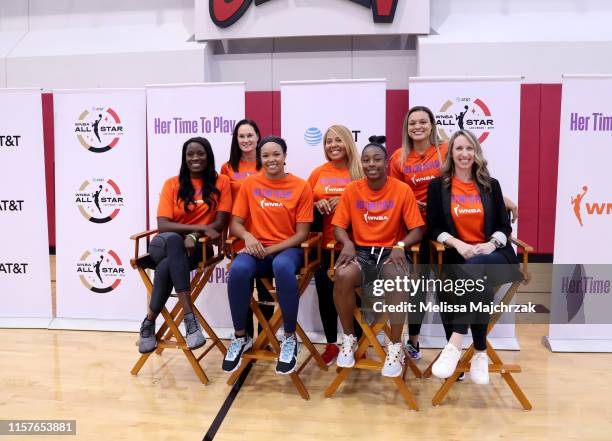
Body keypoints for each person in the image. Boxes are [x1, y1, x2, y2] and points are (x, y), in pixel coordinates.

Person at [390, 106, 518, 365]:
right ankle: (417, 339)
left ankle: (454, 347)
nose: (417, 126)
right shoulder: (399, 158)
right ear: (406, 128)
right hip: (425, 228)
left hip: (466, 238)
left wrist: (499, 200)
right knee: (423, 284)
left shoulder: (447, 147)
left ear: (432, 125)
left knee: (458, 281)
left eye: (423, 121)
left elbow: (475, 180)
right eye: (412, 122)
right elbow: (394, 192)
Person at [427, 129, 522, 385]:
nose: (464, 154)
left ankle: (454, 345)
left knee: (475, 267)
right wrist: (457, 244)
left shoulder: (491, 185)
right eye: (459, 148)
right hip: (459, 258)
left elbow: (504, 227)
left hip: (495, 257)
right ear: (451, 153)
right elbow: (433, 227)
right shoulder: (438, 186)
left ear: (476, 153)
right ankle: (480, 352)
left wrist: (491, 244)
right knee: (475, 281)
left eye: (469, 148)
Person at [332, 136, 424, 377]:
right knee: (341, 274)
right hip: (361, 252)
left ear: (386, 163)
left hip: (390, 253)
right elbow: (339, 226)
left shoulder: (402, 189)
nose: (371, 164)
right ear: (361, 164)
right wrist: (347, 242)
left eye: (377, 159)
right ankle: (349, 339)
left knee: (396, 279)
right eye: (366, 160)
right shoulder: (352, 190)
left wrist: (401, 245)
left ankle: (394, 345)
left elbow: (417, 229)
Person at [222, 136, 314, 375]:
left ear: (285, 156)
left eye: (276, 154)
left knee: (283, 267)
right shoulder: (250, 184)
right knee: (239, 270)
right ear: (260, 159)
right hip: (256, 249)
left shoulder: (301, 186)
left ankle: (290, 338)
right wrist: (249, 238)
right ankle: (240, 336)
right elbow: (236, 224)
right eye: (265, 156)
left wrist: (269, 249)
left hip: (288, 250)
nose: (271, 159)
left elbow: (302, 234)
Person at [138, 137, 232, 354]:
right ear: (184, 158)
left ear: (208, 156)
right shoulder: (172, 183)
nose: (195, 158)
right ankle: (190, 318)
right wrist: (196, 231)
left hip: (197, 249)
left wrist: (195, 237)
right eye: (190, 154)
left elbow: (218, 224)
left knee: (166, 267)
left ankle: (149, 322)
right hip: (162, 245)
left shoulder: (222, 182)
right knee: (171, 240)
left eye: (200, 153)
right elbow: (163, 225)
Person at [307, 124, 364, 366]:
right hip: (326, 246)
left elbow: (374, 205)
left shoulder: (360, 172)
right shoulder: (318, 172)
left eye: (338, 140)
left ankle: (358, 343)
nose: (333, 145)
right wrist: (316, 205)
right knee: (326, 295)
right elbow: (303, 207)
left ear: (348, 143)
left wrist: (346, 199)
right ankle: (332, 344)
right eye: (328, 141)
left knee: (357, 298)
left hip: (356, 245)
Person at [220, 119, 273, 337]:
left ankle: (265, 337)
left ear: (258, 136)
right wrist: (224, 236)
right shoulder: (228, 167)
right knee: (242, 287)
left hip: (266, 235)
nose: (246, 140)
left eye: (250, 135)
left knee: (265, 290)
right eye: (241, 136)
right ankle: (246, 338)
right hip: (240, 234)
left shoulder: (269, 163)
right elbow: (224, 206)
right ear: (236, 139)